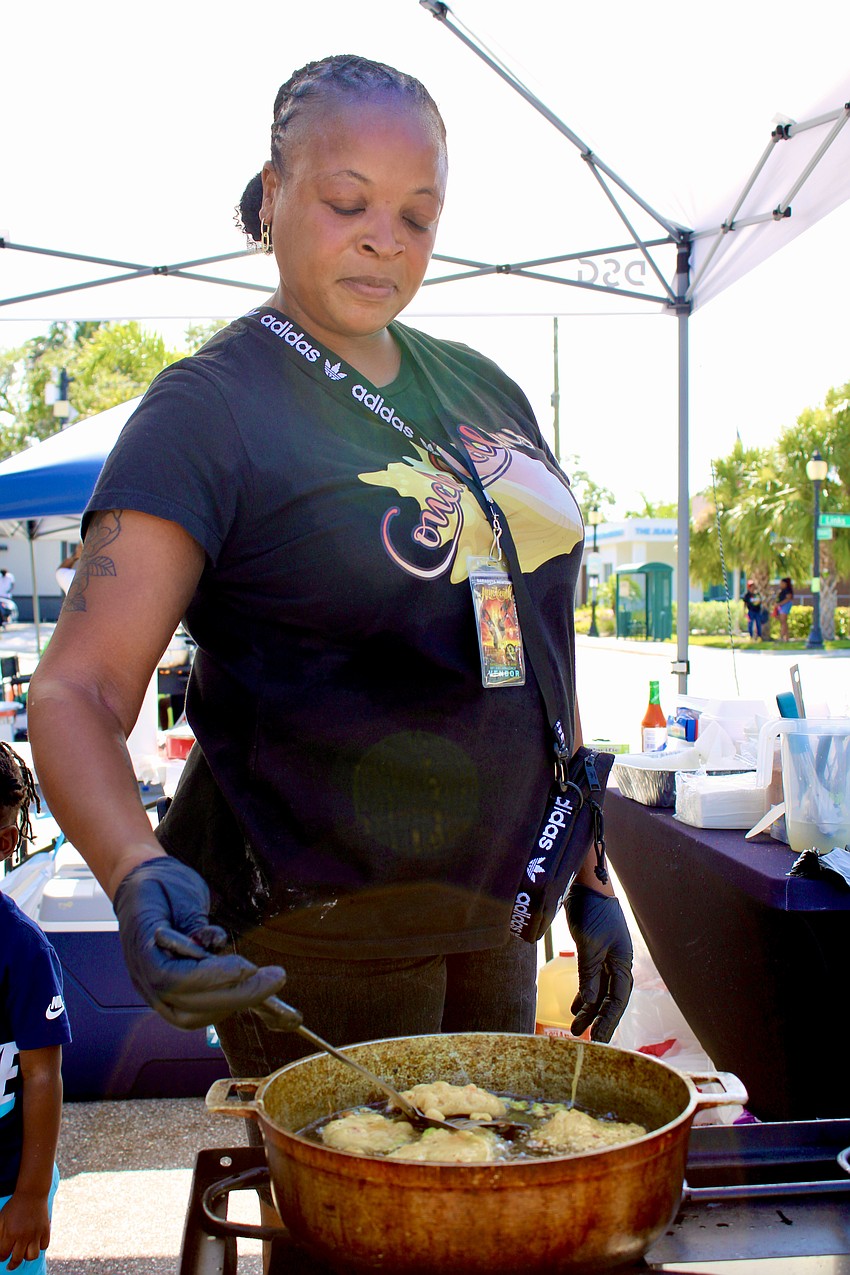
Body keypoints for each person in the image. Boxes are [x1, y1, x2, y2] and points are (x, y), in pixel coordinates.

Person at [27, 53, 632, 1135]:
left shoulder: (479, 385)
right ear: (273, 197)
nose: (383, 238)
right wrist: (132, 868)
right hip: (317, 923)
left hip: (496, 905)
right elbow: (74, 690)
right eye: (346, 201)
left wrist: (589, 870)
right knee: (374, 1227)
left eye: (417, 212)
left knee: (490, 1208)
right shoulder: (209, 411)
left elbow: (534, 640)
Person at [0, 744, 71, 1274]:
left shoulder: (22, 949)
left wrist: (31, 1193)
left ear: (3, 842)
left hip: (6, 1190)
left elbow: (42, 1077)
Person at [775, 576, 794, 642]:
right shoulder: (782, 590)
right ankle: (786, 637)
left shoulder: (787, 590)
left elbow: (788, 598)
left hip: (785, 606)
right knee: (783, 622)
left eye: (782, 583)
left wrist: (780, 604)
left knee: (783, 621)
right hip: (781, 606)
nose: (780, 584)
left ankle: (782, 636)